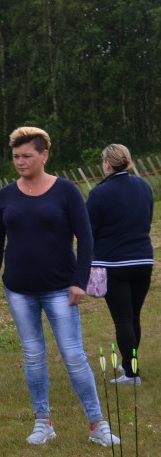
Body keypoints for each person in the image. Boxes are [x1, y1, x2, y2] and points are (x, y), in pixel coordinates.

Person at [0, 126, 119, 447]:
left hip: (60, 287)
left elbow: (86, 239)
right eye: (16, 156)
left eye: (27, 155)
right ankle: (43, 422)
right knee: (33, 356)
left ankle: (97, 425)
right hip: (18, 289)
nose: (20, 161)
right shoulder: (5, 196)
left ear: (44, 155)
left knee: (73, 355)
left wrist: (78, 281)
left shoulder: (66, 191)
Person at [86, 143, 154, 385]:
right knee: (134, 316)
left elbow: (88, 232)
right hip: (144, 259)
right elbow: (147, 220)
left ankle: (131, 373)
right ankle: (132, 366)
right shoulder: (144, 186)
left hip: (113, 263)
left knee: (123, 319)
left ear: (107, 163)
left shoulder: (99, 193)